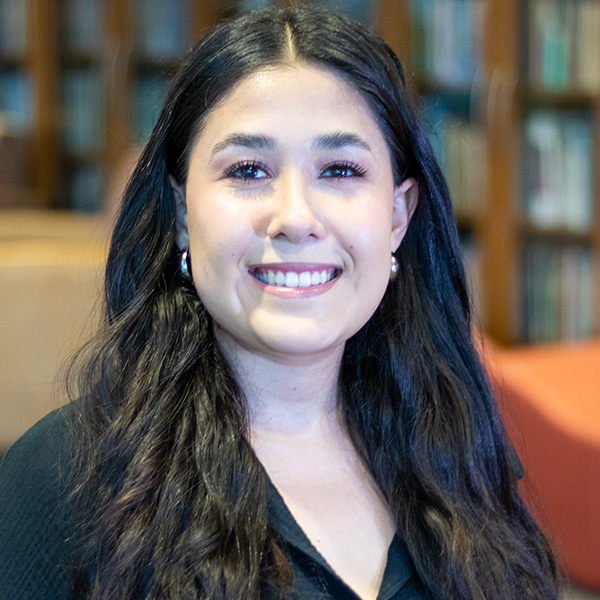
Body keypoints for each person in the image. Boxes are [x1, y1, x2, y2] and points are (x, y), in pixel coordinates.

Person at [0, 5, 560, 599]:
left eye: (341, 169)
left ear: (398, 215)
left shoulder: (457, 454)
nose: (296, 217)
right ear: (183, 214)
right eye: (248, 169)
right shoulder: (65, 475)